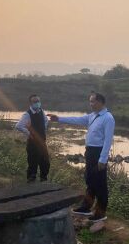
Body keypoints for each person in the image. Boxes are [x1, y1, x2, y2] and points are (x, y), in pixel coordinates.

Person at [47, 92, 114, 222]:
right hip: (90, 152)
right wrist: (58, 118)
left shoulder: (108, 118)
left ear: (100, 102)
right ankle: (86, 207)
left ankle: (100, 213)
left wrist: (103, 159)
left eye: (93, 101)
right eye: (90, 101)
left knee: (100, 184)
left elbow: (108, 140)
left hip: (98, 153)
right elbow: (76, 120)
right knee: (90, 180)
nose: (91, 104)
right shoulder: (93, 116)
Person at [15, 94, 50, 182]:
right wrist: (28, 132)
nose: (37, 103)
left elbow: (46, 121)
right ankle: (31, 181)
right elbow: (18, 126)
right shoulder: (27, 114)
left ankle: (43, 179)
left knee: (45, 162)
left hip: (42, 142)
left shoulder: (41, 111)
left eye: (38, 101)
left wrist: (43, 128)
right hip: (33, 144)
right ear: (30, 103)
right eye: (35, 101)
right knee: (32, 163)